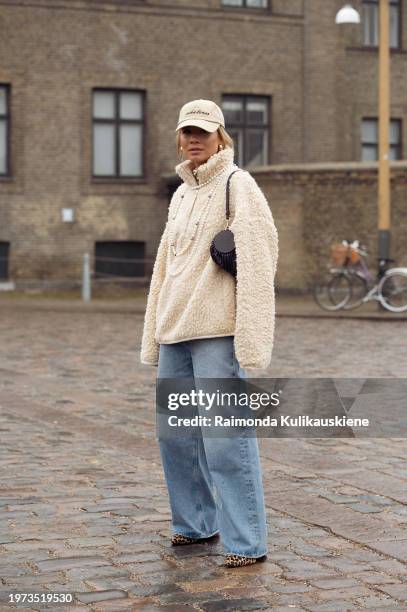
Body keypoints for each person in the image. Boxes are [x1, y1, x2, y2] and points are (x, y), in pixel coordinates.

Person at [140, 99, 278, 568]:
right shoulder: (181, 194)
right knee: (176, 438)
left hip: (217, 330)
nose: (193, 139)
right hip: (174, 330)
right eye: (186, 132)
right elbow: (165, 265)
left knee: (225, 438)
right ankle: (195, 525)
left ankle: (246, 543)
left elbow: (260, 259)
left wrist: (253, 335)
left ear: (222, 136)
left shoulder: (238, 185)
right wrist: (154, 329)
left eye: (202, 131)